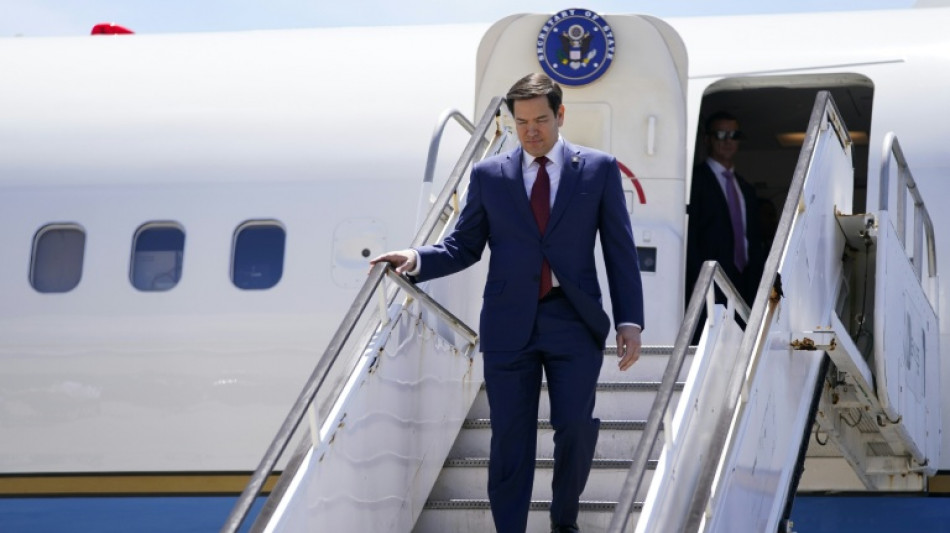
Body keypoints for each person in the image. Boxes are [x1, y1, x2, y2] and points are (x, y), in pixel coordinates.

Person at [371, 73, 644, 533]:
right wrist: (416, 258)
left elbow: (620, 250)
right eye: (521, 123)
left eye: (540, 120)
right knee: (510, 438)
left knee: (575, 428)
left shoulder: (598, 169)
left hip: (573, 319)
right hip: (508, 324)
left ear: (560, 115)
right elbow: (463, 246)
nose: (530, 131)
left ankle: (564, 522)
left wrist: (629, 321)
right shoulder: (489, 175)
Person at [686, 111, 766, 308]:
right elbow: (690, 236)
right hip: (708, 285)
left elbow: (753, 239)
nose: (728, 141)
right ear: (707, 139)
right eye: (721, 134)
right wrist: (697, 280)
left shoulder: (746, 188)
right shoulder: (694, 182)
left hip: (746, 285)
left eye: (734, 135)